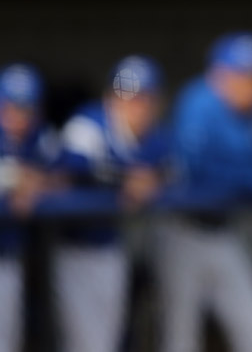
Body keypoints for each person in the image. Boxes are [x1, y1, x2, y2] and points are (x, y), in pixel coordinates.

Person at [159, 32, 252, 352]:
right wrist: (251, 175)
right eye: (242, 76)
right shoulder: (197, 103)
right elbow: (201, 174)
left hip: (223, 233)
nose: (251, 85)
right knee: (180, 338)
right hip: (180, 231)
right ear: (219, 74)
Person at [52, 55, 171, 352]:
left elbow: (174, 168)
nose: (135, 107)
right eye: (127, 97)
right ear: (110, 96)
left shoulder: (154, 137)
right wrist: (125, 180)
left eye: (143, 98)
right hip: (72, 250)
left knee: (109, 340)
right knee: (83, 343)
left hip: (112, 248)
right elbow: (73, 167)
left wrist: (155, 180)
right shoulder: (88, 123)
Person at [0, 64, 60, 352]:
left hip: (8, 258)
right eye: (10, 106)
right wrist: (14, 179)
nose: (16, 116)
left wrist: (37, 182)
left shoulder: (41, 136)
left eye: (24, 108)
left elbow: (67, 174)